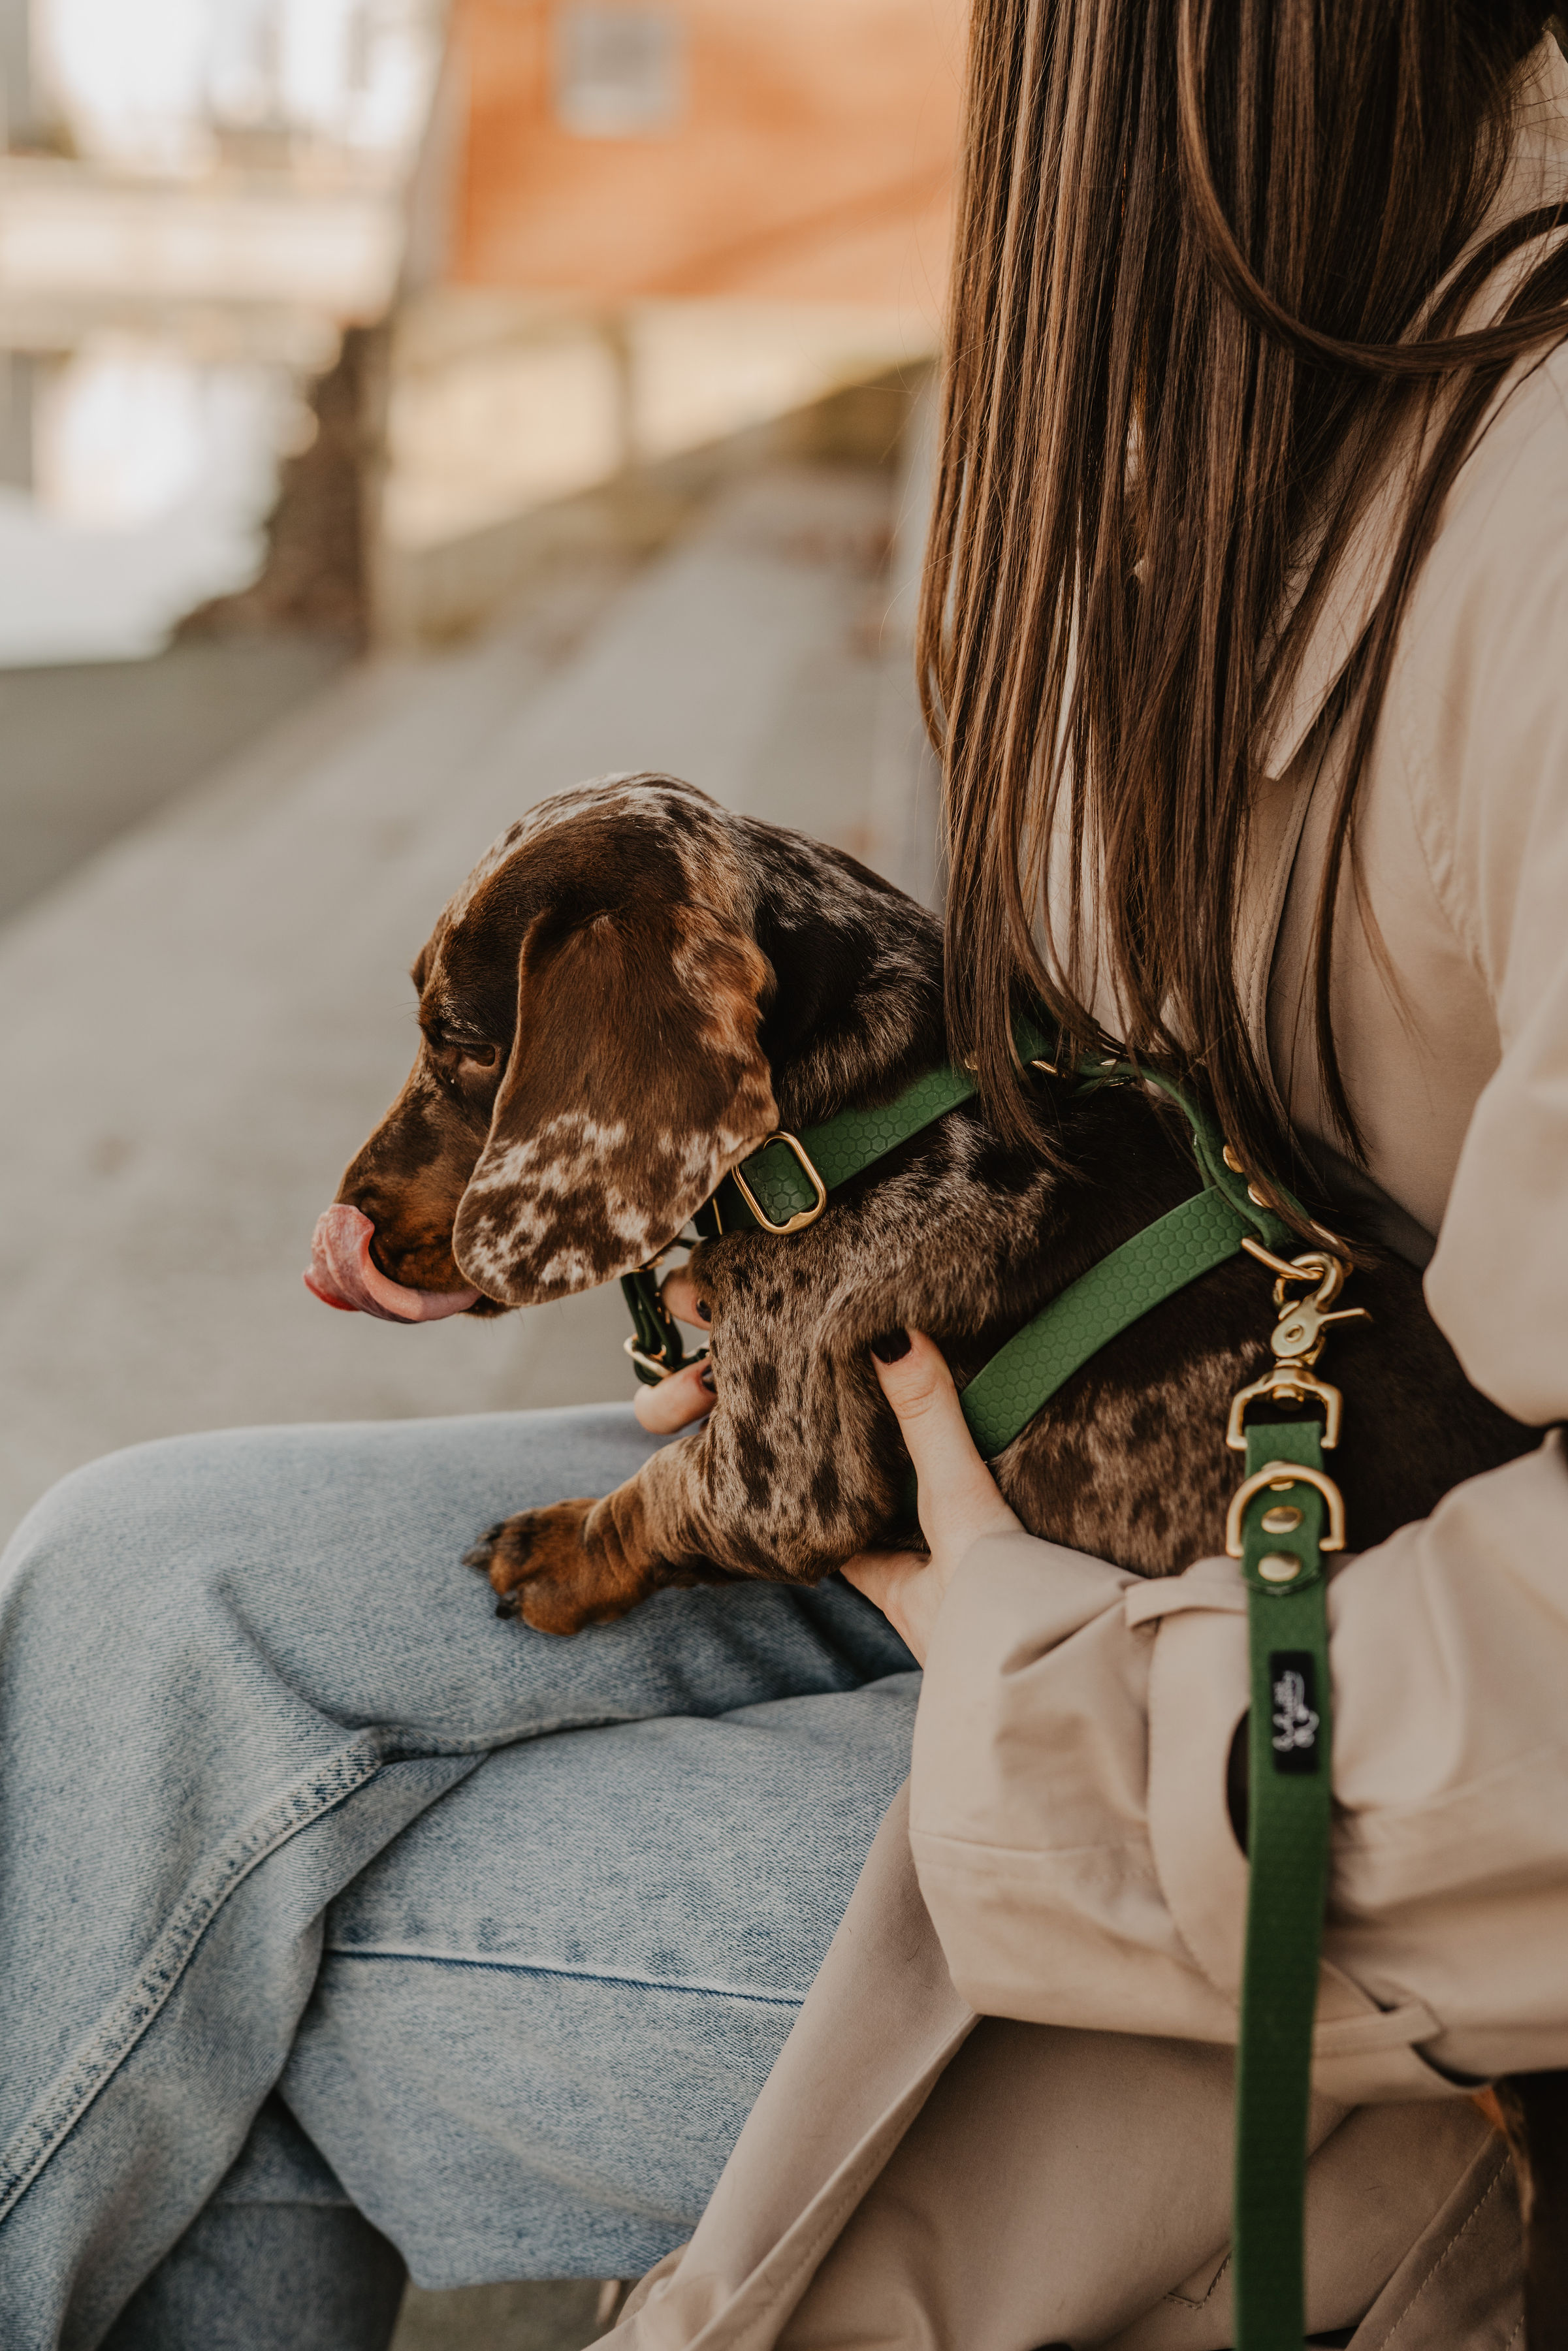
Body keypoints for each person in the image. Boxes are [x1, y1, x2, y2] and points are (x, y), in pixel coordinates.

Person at [4, 3, 1567, 2345]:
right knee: (137, 1590)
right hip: (1035, 1529)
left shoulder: (1522, 509)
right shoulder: (1242, 424)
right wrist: (692, 1255)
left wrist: (1042, 1685)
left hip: (1323, 1780)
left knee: (246, 1957)